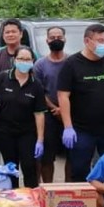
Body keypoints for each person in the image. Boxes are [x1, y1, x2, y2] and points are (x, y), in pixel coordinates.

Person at [57, 24, 104, 183]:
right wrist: (68, 127)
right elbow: (63, 96)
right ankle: (82, 205)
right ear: (87, 41)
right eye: (100, 41)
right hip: (82, 129)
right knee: (79, 170)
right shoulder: (72, 64)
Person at [0, 46, 46, 188]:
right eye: (20, 59)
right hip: (4, 132)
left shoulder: (36, 85)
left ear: (33, 61)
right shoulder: (3, 78)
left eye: (27, 59)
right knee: (10, 167)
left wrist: (40, 140)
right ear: (14, 60)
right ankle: (13, 200)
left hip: (27, 133)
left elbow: (39, 113)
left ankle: (32, 199)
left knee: (29, 166)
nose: (24, 62)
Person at [33, 26, 69, 183]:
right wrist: (55, 108)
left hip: (69, 116)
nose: (56, 40)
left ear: (64, 39)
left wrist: (64, 110)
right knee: (47, 159)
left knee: (72, 157)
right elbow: (39, 91)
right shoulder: (40, 65)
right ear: (47, 40)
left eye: (59, 37)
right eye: (52, 37)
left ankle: (69, 189)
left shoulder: (72, 62)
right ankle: (48, 191)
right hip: (48, 117)